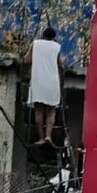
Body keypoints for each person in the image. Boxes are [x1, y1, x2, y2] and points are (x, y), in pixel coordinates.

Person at [26, 21, 66, 149]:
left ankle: (41, 137)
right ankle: (49, 136)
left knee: (39, 111)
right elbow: (61, 64)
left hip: (38, 81)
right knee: (51, 111)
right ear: (54, 37)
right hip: (52, 82)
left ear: (43, 35)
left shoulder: (35, 44)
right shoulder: (57, 47)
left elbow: (27, 60)